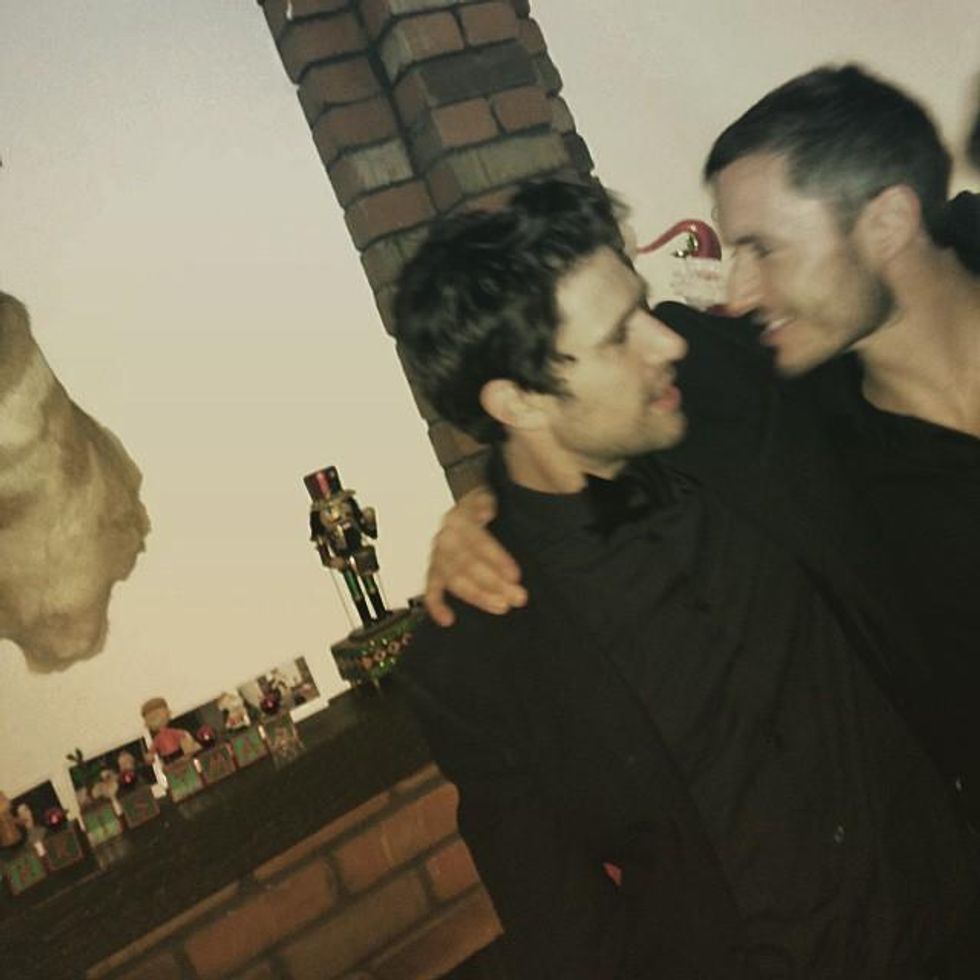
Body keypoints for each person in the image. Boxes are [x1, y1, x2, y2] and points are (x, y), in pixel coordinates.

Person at [394, 178, 978, 979]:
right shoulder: (471, 663)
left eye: (641, 305)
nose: (665, 340)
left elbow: (935, 241)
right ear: (519, 402)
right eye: (618, 336)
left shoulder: (723, 387)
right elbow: (570, 939)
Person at [424, 64, 980, 812]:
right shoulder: (747, 390)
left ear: (887, 223)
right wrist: (479, 510)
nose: (736, 292)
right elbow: (558, 415)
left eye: (764, 249)